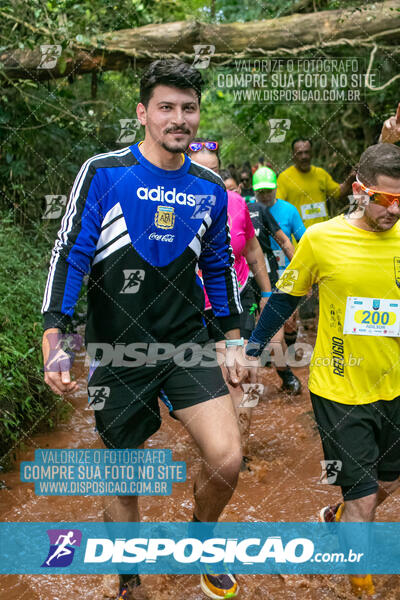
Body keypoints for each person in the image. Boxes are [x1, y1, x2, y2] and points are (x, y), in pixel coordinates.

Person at [41, 59, 248, 600]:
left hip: (186, 343)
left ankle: (202, 541)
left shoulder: (207, 186)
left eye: (188, 108)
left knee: (227, 457)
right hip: (119, 351)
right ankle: (130, 579)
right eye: (166, 108)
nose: (179, 119)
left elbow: (219, 264)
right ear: (143, 113)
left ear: (198, 115)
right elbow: (71, 255)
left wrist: (230, 336)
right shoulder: (105, 172)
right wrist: (55, 336)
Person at [246, 143, 400, 597]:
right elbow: (285, 299)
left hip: (394, 385)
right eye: (386, 199)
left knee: (386, 481)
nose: (394, 210)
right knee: (363, 502)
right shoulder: (322, 239)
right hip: (339, 390)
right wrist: (253, 352)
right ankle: (363, 588)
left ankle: (340, 516)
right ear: (359, 191)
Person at [186, 142, 272, 466]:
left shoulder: (236, 204)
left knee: (245, 375)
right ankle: (218, 446)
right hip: (193, 306)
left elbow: (253, 251)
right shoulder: (170, 206)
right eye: (200, 169)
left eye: (215, 171)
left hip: (238, 298)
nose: (209, 176)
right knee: (210, 381)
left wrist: (266, 295)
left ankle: (240, 454)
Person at [249, 168, 301, 394]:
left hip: (276, 277)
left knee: (284, 327)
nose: (265, 196)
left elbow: (290, 242)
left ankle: (286, 373)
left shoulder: (285, 210)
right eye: (261, 192)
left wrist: (303, 273)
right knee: (253, 336)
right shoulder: (245, 209)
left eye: (269, 191)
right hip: (244, 281)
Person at [276, 138, 355, 228]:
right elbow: (278, 207)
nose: (304, 157)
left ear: (312, 154)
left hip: (322, 233)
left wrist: (351, 178)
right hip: (300, 236)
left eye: (307, 152)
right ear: (293, 155)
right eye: (299, 153)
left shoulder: (321, 174)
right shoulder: (284, 177)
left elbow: (339, 192)